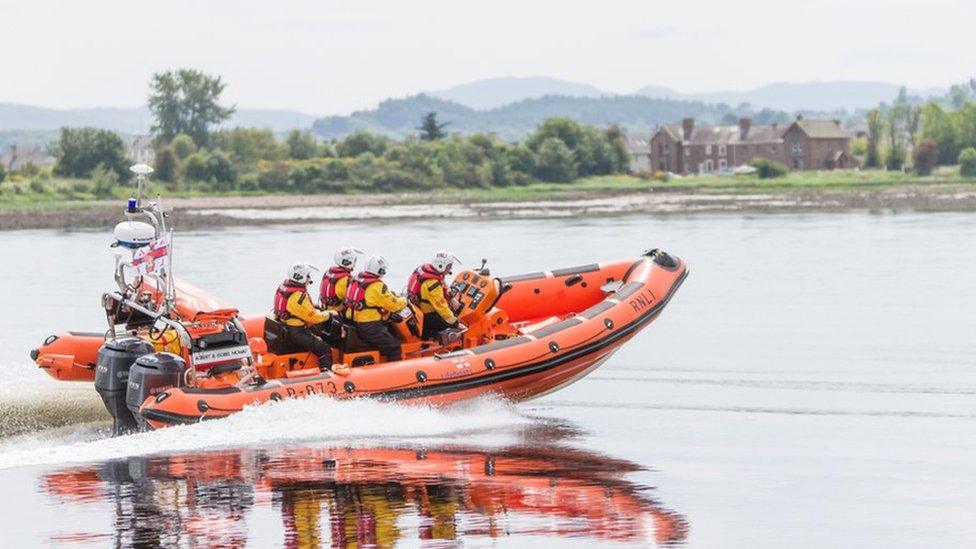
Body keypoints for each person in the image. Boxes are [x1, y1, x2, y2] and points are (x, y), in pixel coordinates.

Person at [273, 263, 337, 371]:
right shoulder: (298, 297)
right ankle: (327, 373)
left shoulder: (285, 288)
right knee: (324, 348)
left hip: (286, 326)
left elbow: (303, 311)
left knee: (319, 336)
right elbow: (314, 318)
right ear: (302, 277)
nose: (309, 279)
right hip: (296, 331)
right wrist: (329, 314)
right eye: (308, 276)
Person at [345, 255, 408, 362]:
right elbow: (394, 305)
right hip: (369, 326)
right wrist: (404, 300)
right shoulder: (377, 286)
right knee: (394, 347)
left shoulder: (356, 279)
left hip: (352, 322)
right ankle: (395, 373)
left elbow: (370, 300)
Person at [407, 250, 463, 340]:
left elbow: (442, 282)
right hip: (429, 316)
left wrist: (451, 298)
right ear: (441, 266)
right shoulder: (432, 285)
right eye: (449, 266)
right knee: (457, 329)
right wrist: (456, 323)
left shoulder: (427, 271)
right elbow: (441, 307)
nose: (450, 269)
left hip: (419, 310)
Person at [319, 246, 365, 313]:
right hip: (338, 312)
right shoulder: (345, 279)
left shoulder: (328, 273)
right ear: (349, 262)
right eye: (354, 261)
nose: (354, 264)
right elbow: (349, 298)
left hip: (325, 308)